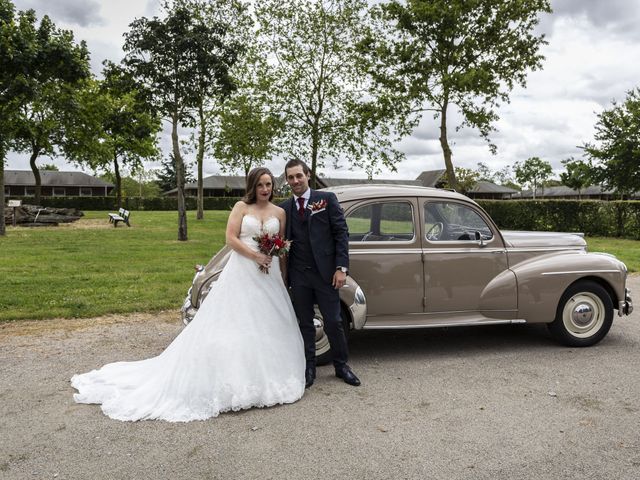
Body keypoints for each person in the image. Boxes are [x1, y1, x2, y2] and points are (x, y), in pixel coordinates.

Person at [71, 168, 305, 422]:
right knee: (236, 321)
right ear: (252, 186)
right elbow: (230, 238)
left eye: (269, 184)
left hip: (268, 275)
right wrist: (256, 255)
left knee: (267, 324)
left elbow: (281, 245)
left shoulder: (279, 212)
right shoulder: (241, 207)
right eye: (260, 184)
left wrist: (282, 276)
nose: (265, 189)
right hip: (243, 271)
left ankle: (267, 378)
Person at [280, 159, 361, 388]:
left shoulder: (326, 200)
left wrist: (341, 268)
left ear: (307, 175)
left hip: (326, 274)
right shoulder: (285, 208)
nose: (295, 181)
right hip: (299, 275)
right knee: (305, 322)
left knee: (334, 321)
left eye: (299, 176)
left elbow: (341, 233)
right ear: (287, 181)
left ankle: (342, 366)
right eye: (290, 177)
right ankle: (308, 367)